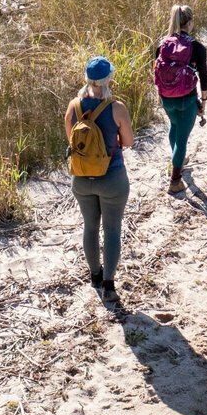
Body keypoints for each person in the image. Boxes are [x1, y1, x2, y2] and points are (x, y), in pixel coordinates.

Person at [66, 56, 132, 298]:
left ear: (87, 78)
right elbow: (129, 141)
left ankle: (94, 275)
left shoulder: (74, 106)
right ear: (109, 79)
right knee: (112, 229)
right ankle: (109, 284)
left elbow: (72, 141)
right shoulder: (117, 107)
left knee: (90, 227)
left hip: (81, 179)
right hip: (112, 177)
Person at [152, 4, 207, 195]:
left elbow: (157, 71)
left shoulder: (162, 45)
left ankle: (179, 159)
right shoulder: (197, 47)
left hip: (166, 98)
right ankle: (175, 180)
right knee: (182, 139)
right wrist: (203, 101)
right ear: (190, 22)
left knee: (175, 127)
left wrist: (161, 95)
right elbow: (204, 76)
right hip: (187, 99)